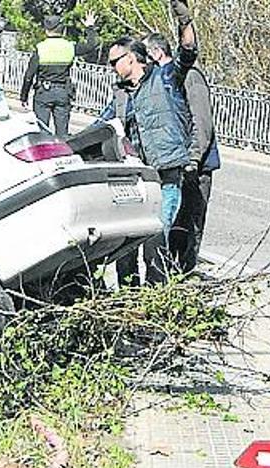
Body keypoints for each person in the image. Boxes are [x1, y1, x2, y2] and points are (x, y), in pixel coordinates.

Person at [106, 0, 198, 284]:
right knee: (126, 245)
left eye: (114, 61)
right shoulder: (121, 95)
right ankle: (126, 303)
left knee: (155, 242)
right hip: (136, 179)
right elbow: (102, 127)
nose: (110, 67)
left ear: (131, 59)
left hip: (166, 176)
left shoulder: (165, 78)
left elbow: (187, 52)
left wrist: (184, 19)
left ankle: (156, 298)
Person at [143, 32, 221, 273]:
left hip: (194, 167)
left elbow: (201, 123)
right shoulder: (158, 80)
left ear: (156, 54)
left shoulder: (190, 77)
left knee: (187, 228)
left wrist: (193, 160)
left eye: (144, 56)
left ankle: (182, 279)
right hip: (174, 164)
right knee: (169, 228)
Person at [20, 12, 99, 139]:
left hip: (43, 93)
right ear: (63, 30)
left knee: (41, 132)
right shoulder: (70, 47)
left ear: (46, 30)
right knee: (62, 135)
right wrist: (90, 27)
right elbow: (92, 45)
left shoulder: (40, 48)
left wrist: (23, 97)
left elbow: (29, 75)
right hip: (63, 92)